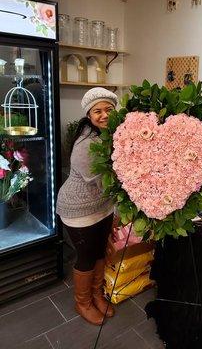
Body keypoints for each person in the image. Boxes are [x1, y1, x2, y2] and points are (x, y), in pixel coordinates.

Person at [56, 87, 118, 326]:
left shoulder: (110, 135)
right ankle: (82, 303)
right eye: (97, 111)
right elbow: (107, 182)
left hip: (102, 206)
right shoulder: (86, 144)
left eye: (108, 109)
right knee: (87, 256)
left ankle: (96, 295)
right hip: (79, 209)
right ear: (89, 115)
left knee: (100, 251)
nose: (104, 115)